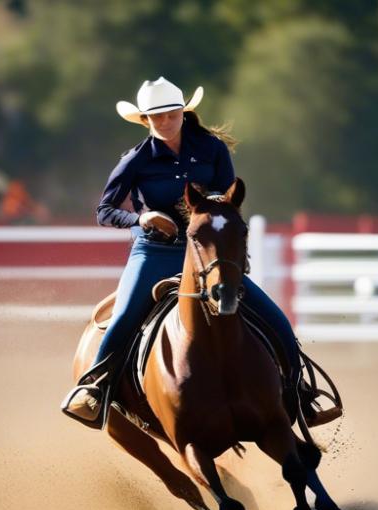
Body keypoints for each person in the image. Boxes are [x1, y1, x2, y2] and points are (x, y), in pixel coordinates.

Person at [61, 77, 303, 428]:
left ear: (183, 112)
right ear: (144, 120)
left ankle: (301, 391)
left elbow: (228, 200)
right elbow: (105, 211)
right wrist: (142, 217)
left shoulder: (212, 149)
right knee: (126, 315)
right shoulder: (135, 160)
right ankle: (94, 390)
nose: (163, 122)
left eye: (169, 114)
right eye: (154, 117)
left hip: (207, 254)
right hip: (154, 252)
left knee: (275, 320)